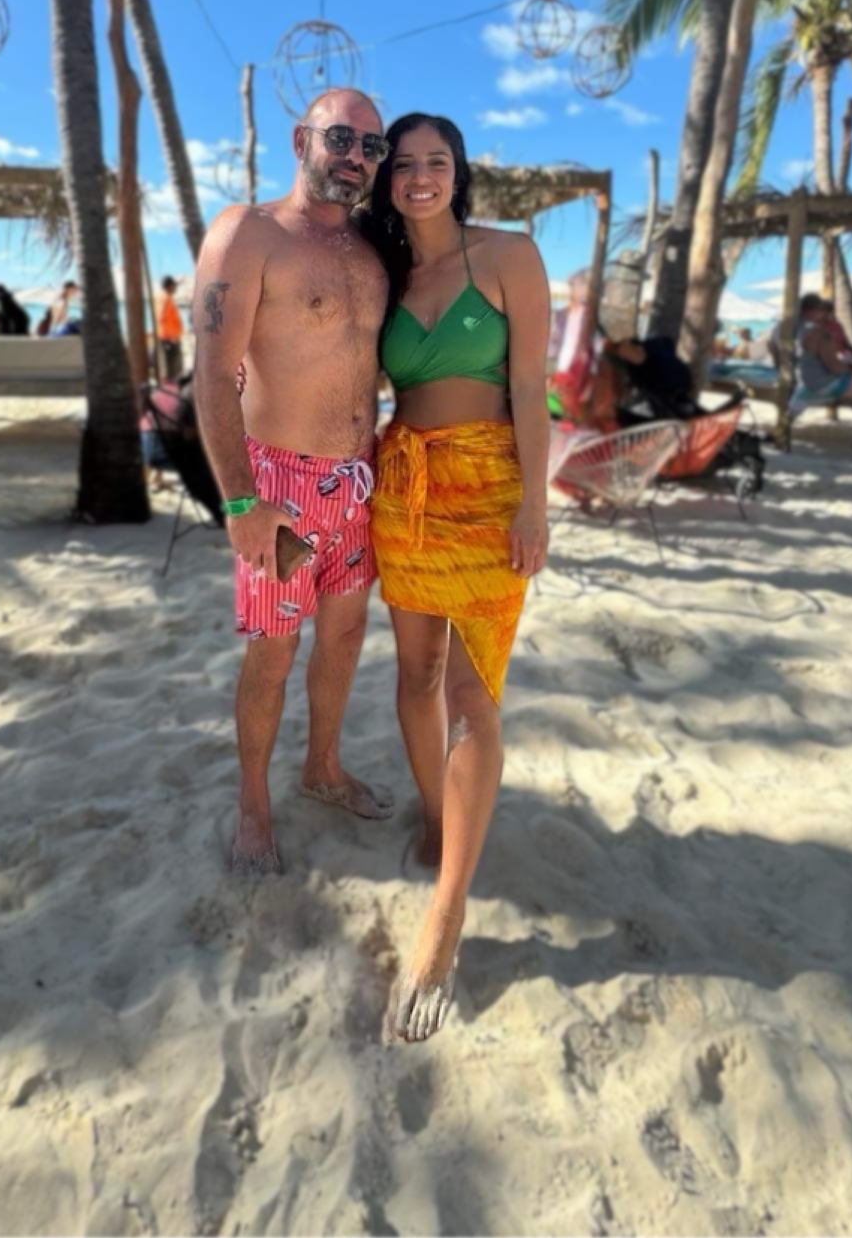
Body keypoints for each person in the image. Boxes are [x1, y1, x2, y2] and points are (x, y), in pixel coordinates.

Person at [365, 113, 550, 1043]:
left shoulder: (509, 255)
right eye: (404, 164)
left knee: (475, 696)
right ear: (388, 180)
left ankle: (446, 915)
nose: (420, 176)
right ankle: (440, 819)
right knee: (417, 675)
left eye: (436, 161)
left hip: (489, 491)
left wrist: (535, 505)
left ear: (458, 172)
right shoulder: (384, 274)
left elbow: (530, 388)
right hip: (404, 490)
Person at [193, 87, 394, 878]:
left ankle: (322, 767)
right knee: (273, 655)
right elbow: (213, 369)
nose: (356, 157)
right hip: (280, 483)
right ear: (300, 138)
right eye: (341, 138)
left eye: (371, 147)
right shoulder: (249, 232)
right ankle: (253, 802)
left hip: (360, 479)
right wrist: (240, 499)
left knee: (343, 638)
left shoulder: (372, 249)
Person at [791, 292, 852, 439]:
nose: (825, 313)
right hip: (822, 385)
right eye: (823, 309)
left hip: (801, 384)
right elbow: (834, 367)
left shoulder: (791, 328)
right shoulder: (820, 333)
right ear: (815, 310)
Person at [158, 276, 185, 380]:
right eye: (173, 285)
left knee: (174, 368)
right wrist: (170, 336)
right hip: (170, 339)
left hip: (170, 338)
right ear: (169, 286)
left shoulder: (166, 297)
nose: (175, 288)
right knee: (173, 369)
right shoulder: (166, 299)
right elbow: (161, 317)